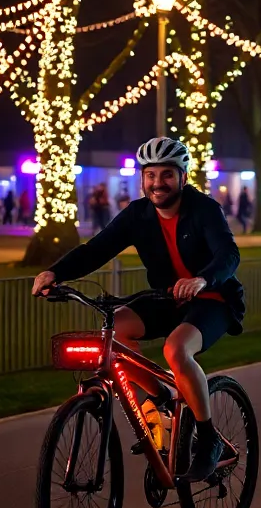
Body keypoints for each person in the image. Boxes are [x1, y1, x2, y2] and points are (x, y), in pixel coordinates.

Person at [31, 137, 244, 482]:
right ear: (142, 179)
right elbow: (96, 250)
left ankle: (207, 441)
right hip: (165, 298)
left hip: (213, 299)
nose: (158, 183)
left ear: (183, 176)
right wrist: (56, 272)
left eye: (167, 175)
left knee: (175, 350)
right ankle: (161, 397)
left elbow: (229, 255)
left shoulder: (204, 209)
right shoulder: (138, 215)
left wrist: (203, 280)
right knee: (117, 328)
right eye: (151, 175)